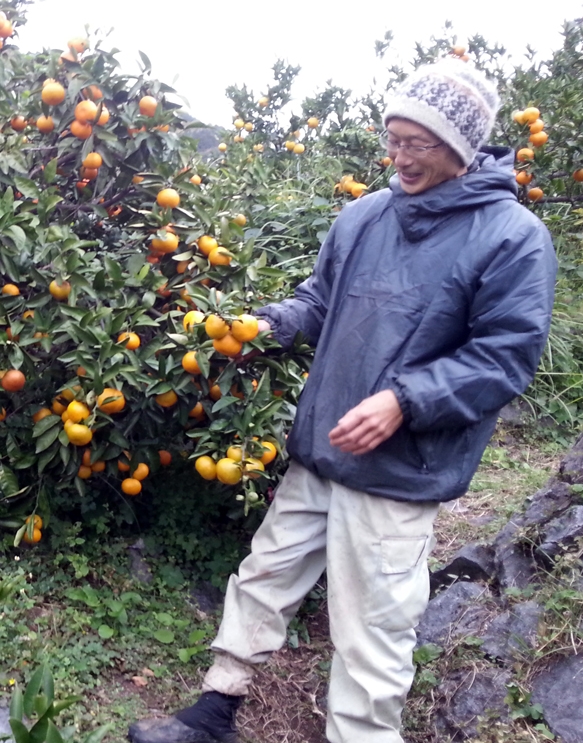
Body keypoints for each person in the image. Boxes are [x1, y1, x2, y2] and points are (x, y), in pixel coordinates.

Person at [129, 59, 557, 743]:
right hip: (325, 442)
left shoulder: (512, 237)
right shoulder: (365, 215)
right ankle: (215, 711)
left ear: (459, 145)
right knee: (266, 573)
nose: (399, 157)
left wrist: (403, 401)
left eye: (416, 143)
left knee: (372, 626)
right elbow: (318, 301)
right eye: (393, 139)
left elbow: (503, 357)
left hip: (400, 466)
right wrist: (267, 326)